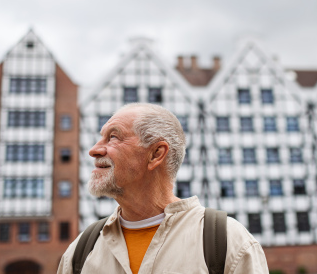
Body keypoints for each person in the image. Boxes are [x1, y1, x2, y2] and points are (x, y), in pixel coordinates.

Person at [57, 103, 269, 274]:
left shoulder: (228, 242)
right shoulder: (81, 251)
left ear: (156, 154)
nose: (94, 150)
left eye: (113, 137)